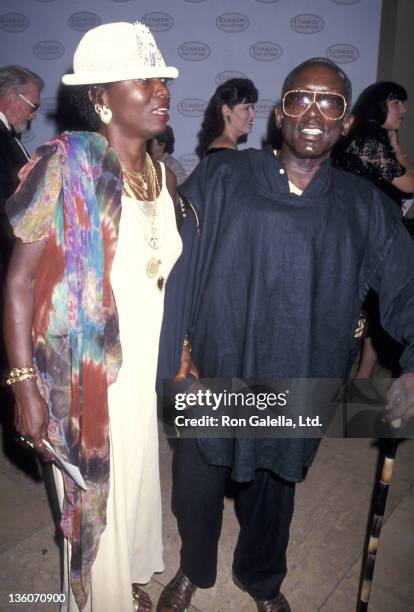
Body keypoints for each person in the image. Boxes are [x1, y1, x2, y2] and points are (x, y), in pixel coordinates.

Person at [156, 58, 414, 612]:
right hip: (214, 370)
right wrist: (175, 356)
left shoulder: (363, 205)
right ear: (281, 114)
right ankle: (192, 569)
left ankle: (262, 581)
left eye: (331, 102)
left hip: (298, 374)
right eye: (301, 98)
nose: (313, 112)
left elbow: (407, 286)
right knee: (196, 486)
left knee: (274, 491)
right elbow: (174, 268)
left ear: (347, 123)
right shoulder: (225, 178)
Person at [4, 22, 183, 612]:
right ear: (102, 98)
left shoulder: (163, 174)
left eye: (163, 78)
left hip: (141, 375)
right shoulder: (63, 165)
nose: (161, 89)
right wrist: (24, 387)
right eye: (143, 79)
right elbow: (18, 281)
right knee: (94, 515)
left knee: (132, 498)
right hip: (82, 383)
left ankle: (123, 588)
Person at [333, 81, 414, 385]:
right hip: (363, 240)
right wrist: (393, 144)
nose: (403, 110)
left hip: (368, 237)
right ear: (378, 106)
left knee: (373, 311)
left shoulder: (371, 140)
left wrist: (394, 140)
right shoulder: (367, 143)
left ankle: (362, 378)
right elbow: (410, 184)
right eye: (396, 103)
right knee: (363, 312)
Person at [195, 78, 258, 158]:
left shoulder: (223, 148)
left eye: (252, 108)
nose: (253, 114)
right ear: (226, 111)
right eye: (246, 108)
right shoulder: (223, 150)